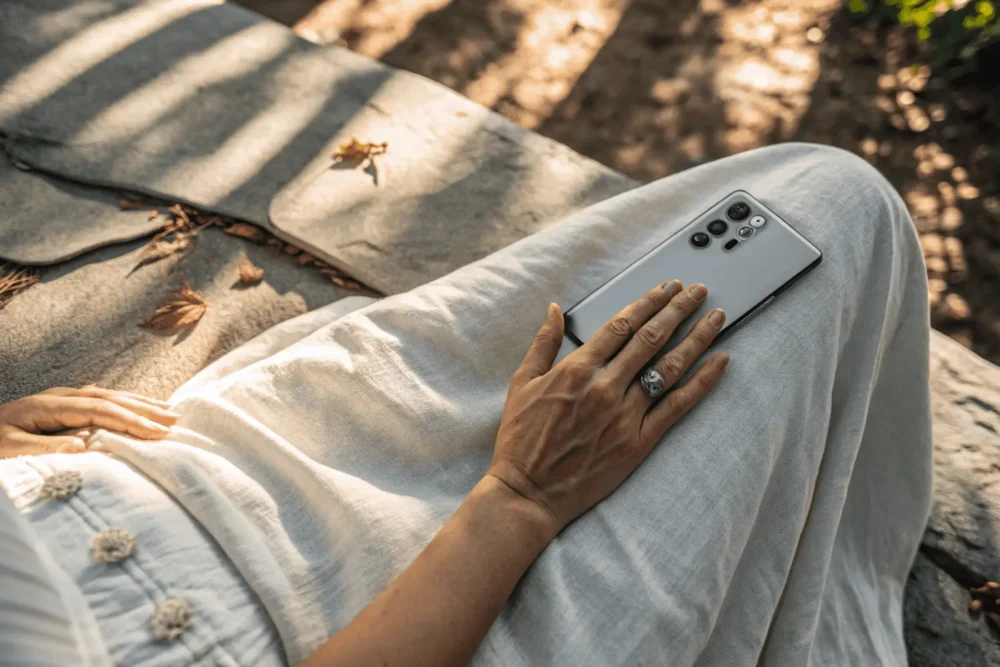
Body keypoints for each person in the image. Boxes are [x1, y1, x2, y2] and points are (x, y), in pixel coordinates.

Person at [0, 143, 932, 666]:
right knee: (843, 220)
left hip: (209, 465)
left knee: (812, 197)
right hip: (406, 624)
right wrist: (522, 493)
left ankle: (819, 512)